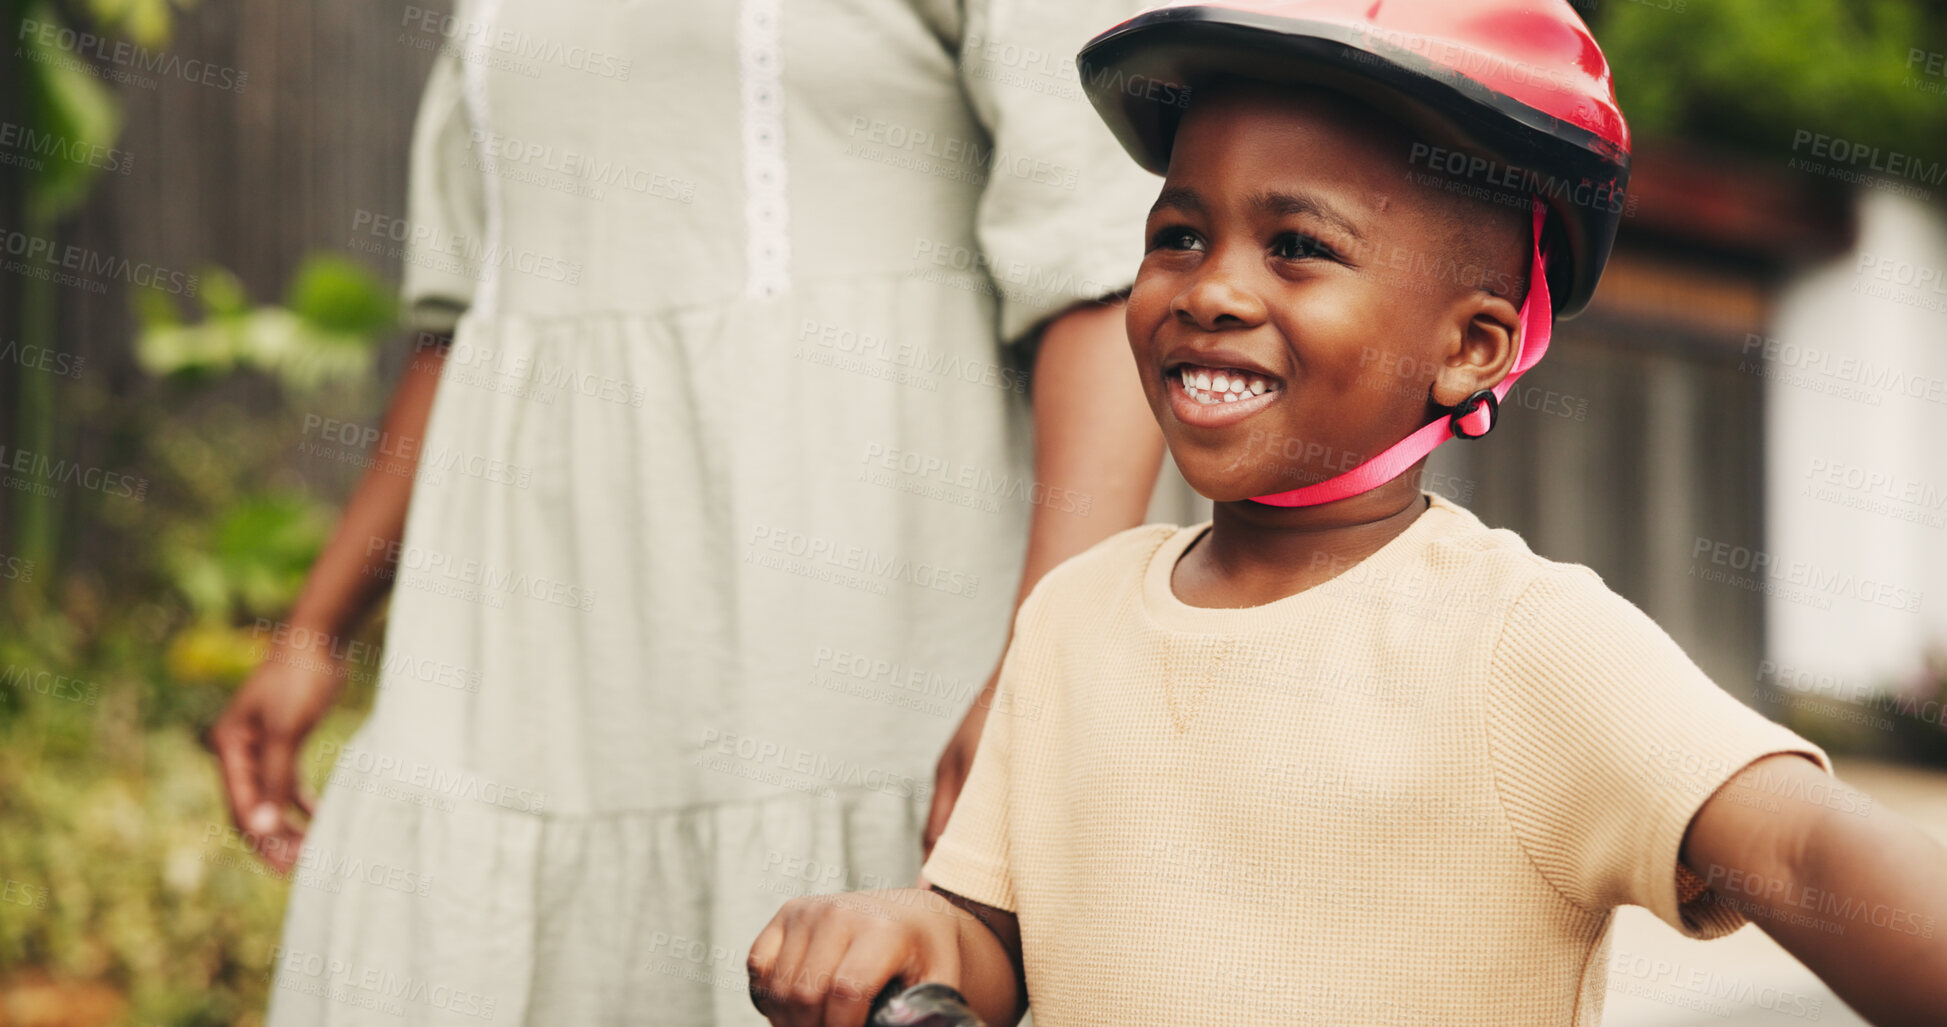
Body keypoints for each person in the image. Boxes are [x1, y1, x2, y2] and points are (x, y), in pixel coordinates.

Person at [743, 2, 1947, 1025]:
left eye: (1298, 246)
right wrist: (909, 935)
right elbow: (999, 944)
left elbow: (1800, 848)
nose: (1211, 288)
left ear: (1472, 349)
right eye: (1179, 234)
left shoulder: (1523, 644)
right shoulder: (1070, 620)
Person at [206, 0, 1187, 1021]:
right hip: (520, 681)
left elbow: (1102, 273)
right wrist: (314, 630)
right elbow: (460, 325)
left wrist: (1042, 666)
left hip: (856, 657)